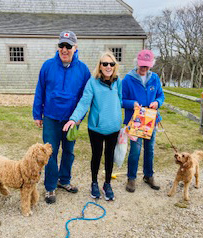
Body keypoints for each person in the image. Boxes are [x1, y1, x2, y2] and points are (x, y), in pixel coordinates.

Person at [33, 30, 91, 204]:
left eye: (68, 46)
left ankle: (64, 180)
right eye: (61, 45)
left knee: (69, 151)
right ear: (58, 47)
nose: (64, 49)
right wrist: (37, 113)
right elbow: (40, 90)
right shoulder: (47, 66)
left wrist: (80, 117)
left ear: (75, 47)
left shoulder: (83, 69)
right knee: (50, 153)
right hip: (51, 117)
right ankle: (50, 186)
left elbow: (86, 97)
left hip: (72, 120)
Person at [63, 51, 122, 201]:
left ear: (114, 66)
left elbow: (120, 100)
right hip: (96, 128)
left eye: (111, 64)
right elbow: (84, 103)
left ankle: (107, 184)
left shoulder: (118, 81)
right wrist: (73, 119)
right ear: (100, 66)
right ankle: (94, 183)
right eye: (105, 64)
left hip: (114, 128)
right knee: (96, 156)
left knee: (109, 157)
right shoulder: (92, 82)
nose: (108, 66)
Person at [122, 49, 164, 193]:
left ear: (151, 65)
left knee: (150, 149)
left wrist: (157, 103)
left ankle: (148, 175)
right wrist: (131, 103)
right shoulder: (127, 79)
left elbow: (161, 96)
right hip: (136, 122)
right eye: (141, 66)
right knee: (135, 150)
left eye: (146, 66)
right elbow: (121, 100)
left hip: (151, 120)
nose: (143, 69)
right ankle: (131, 178)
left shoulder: (155, 78)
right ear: (137, 63)